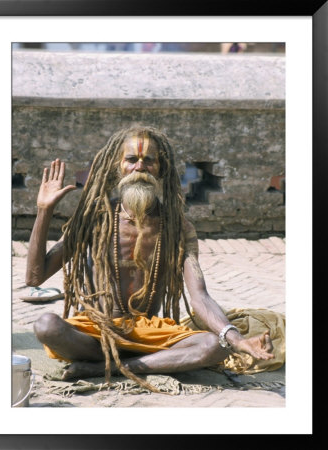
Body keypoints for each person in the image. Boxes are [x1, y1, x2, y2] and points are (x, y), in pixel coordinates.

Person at [26, 125, 275, 393]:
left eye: (149, 160)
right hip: (97, 330)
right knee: (47, 326)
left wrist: (237, 340)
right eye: (132, 159)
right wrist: (44, 211)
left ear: (161, 169)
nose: (140, 167)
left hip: (149, 333)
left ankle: (106, 367)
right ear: (118, 167)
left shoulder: (177, 228)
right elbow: (34, 278)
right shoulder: (92, 220)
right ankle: (145, 363)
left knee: (214, 345)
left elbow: (200, 297)